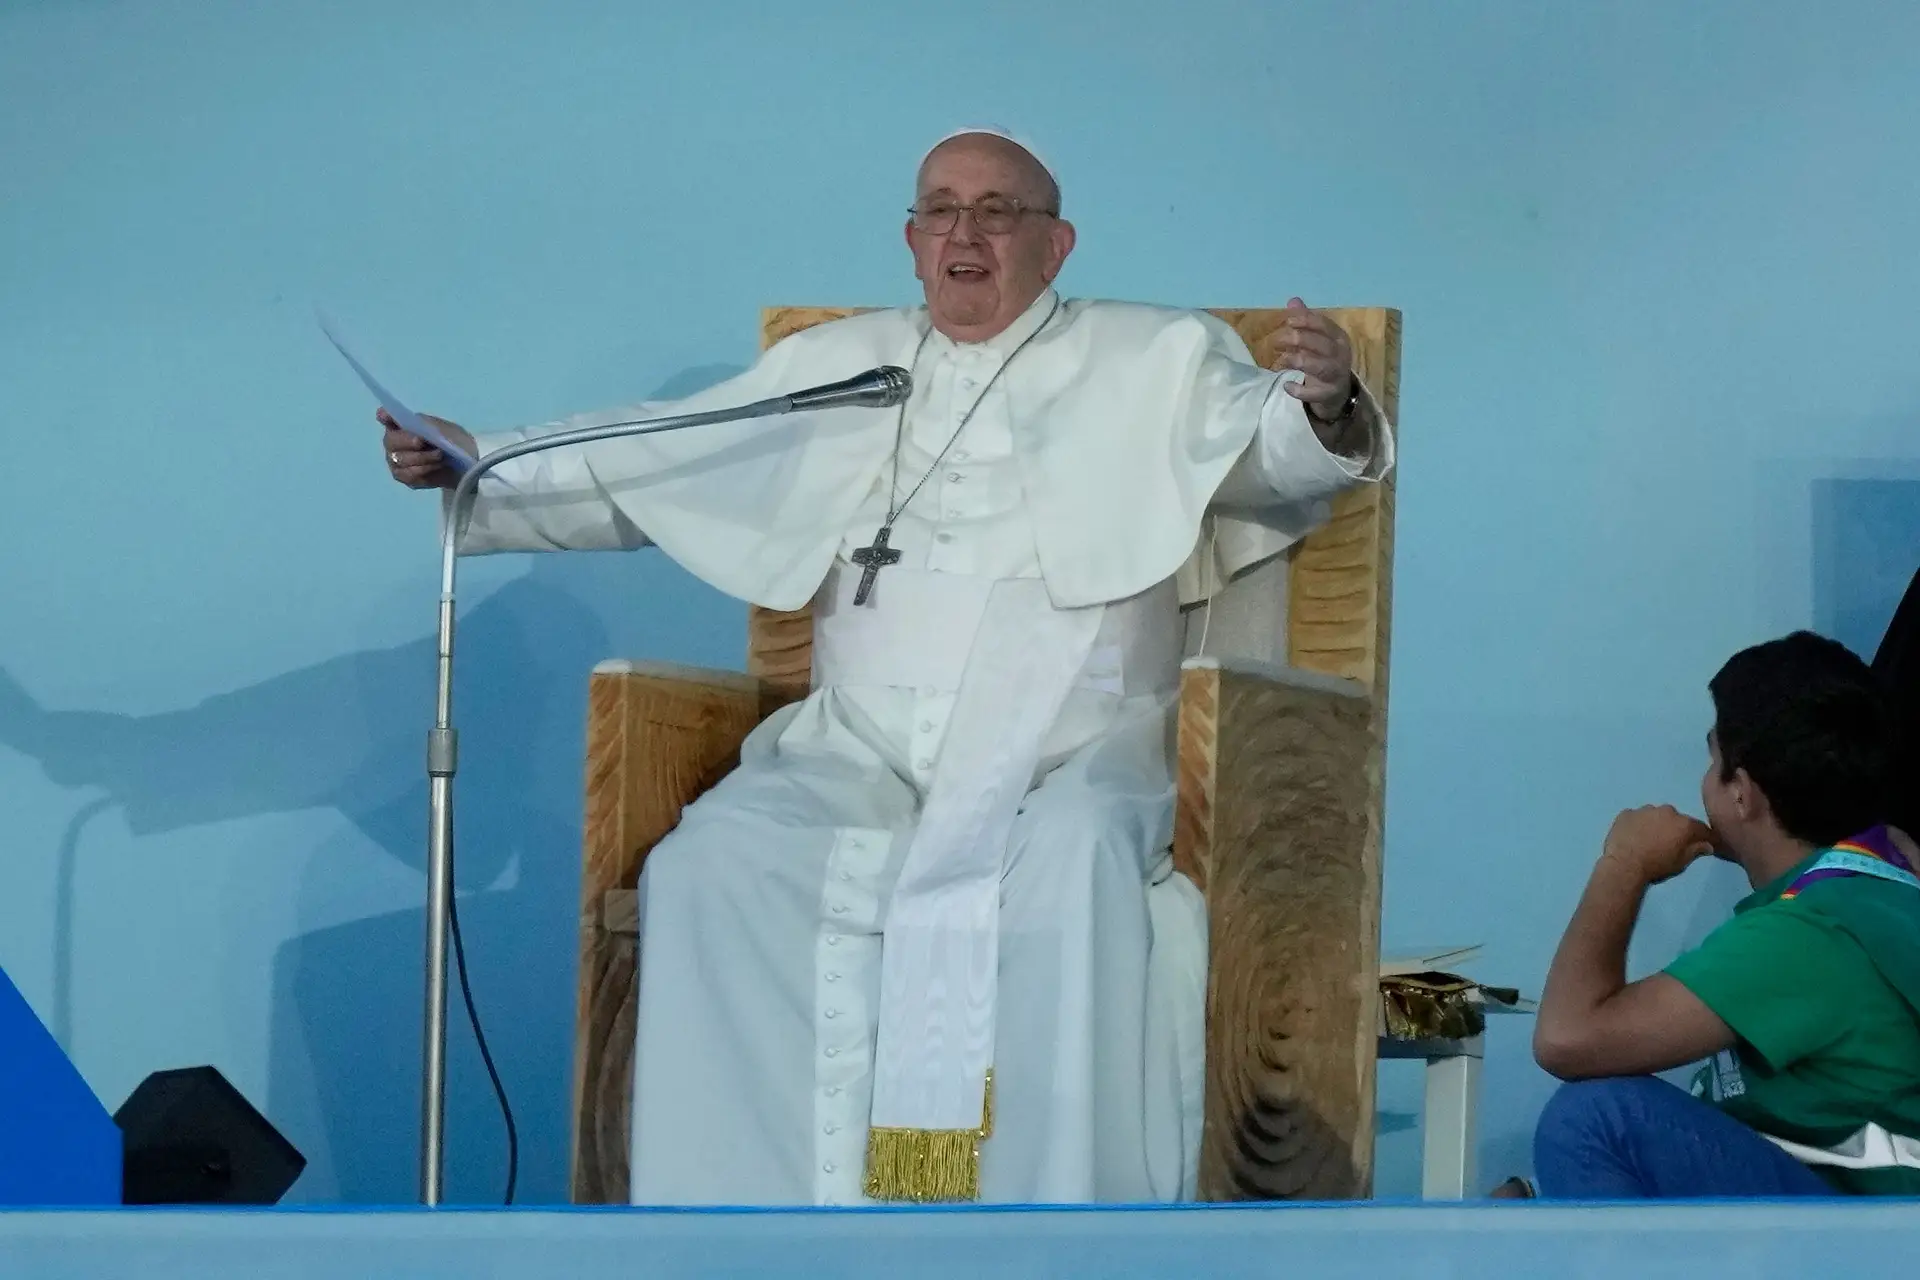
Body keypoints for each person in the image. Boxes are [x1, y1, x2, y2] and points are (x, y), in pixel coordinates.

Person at [378, 126, 1394, 1205]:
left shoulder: (1156, 357)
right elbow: (660, 453)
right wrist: (480, 455)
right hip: (855, 743)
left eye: (998, 211)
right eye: (941, 210)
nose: (966, 231)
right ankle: (750, 1232)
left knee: (1076, 864)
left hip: (1072, 744)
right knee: (711, 869)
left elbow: (1268, 448)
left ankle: (1050, 1239)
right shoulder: (841, 370)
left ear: (1056, 244)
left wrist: (1322, 403)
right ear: (912, 240)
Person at [1529, 631, 1920, 1199]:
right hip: (1856, 1213)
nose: (1705, 780)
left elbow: (1567, 1038)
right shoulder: (1881, 883)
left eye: (1715, 760)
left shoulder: (1807, 935)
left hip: (1870, 1241)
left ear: (1743, 795)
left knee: (1591, 1120)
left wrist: (1624, 863)